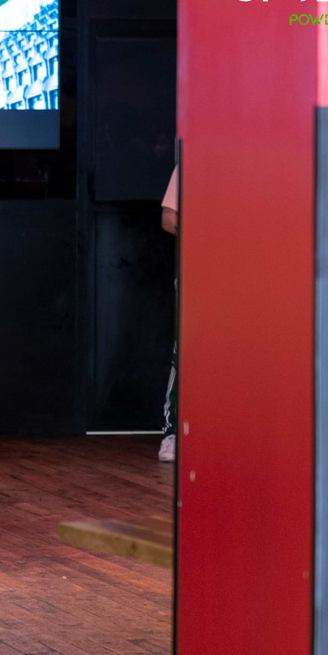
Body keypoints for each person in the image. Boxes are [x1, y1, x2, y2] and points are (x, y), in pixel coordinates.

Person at [159, 165, 179, 463]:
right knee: (185, 351)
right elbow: (168, 219)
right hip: (200, 270)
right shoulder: (190, 161)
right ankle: (172, 432)